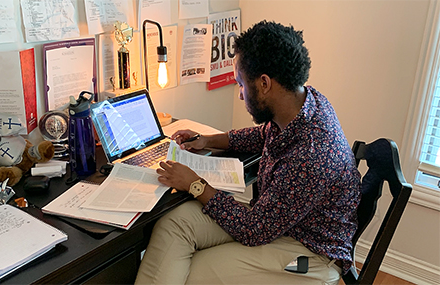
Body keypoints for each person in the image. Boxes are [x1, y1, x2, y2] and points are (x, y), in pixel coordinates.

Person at [135, 20, 361, 285]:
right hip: (277, 219)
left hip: (308, 251)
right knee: (174, 224)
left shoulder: (311, 153)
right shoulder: (304, 104)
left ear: (264, 83)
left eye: (241, 84)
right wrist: (207, 140)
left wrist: (195, 184)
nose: (241, 95)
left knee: (188, 273)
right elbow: (262, 135)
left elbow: (252, 229)